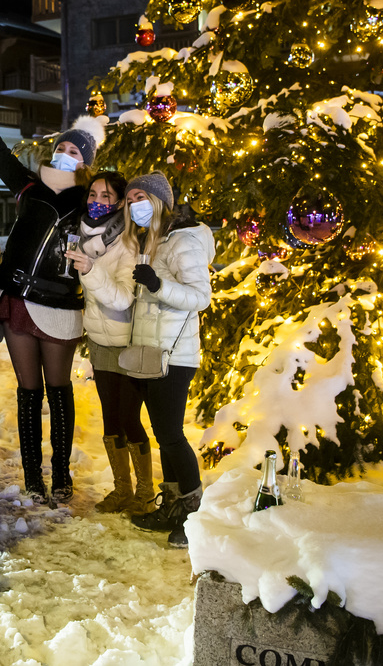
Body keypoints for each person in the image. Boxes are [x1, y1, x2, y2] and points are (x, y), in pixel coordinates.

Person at [0, 73, 102, 503]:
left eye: (75, 151)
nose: (66, 154)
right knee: (27, 391)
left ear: (85, 160)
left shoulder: (89, 201)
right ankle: (34, 475)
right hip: (18, 298)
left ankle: (61, 473)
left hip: (59, 304)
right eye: (62, 148)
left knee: (58, 388)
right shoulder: (30, 186)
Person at [119, 172, 215, 547]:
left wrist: (159, 285)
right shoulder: (154, 241)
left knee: (172, 435)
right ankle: (174, 504)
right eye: (129, 200)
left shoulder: (184, 242)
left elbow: (200, 297)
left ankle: (194, 515)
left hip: (176, 355)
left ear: (158, 200)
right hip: (153, 352)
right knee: (164, 434)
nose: (133, 205)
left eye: (139, 197)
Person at [64, 170, 155, 514]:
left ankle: (145, 493)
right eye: (93, 195)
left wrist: (90, 269)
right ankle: (122, 490)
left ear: (119, 203)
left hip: (127, 342)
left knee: (130, 418)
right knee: (110, 418)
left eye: (106, 196)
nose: (98, 202)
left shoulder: (128, 242)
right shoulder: (86, 238)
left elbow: (122, 299)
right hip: (101, 341)